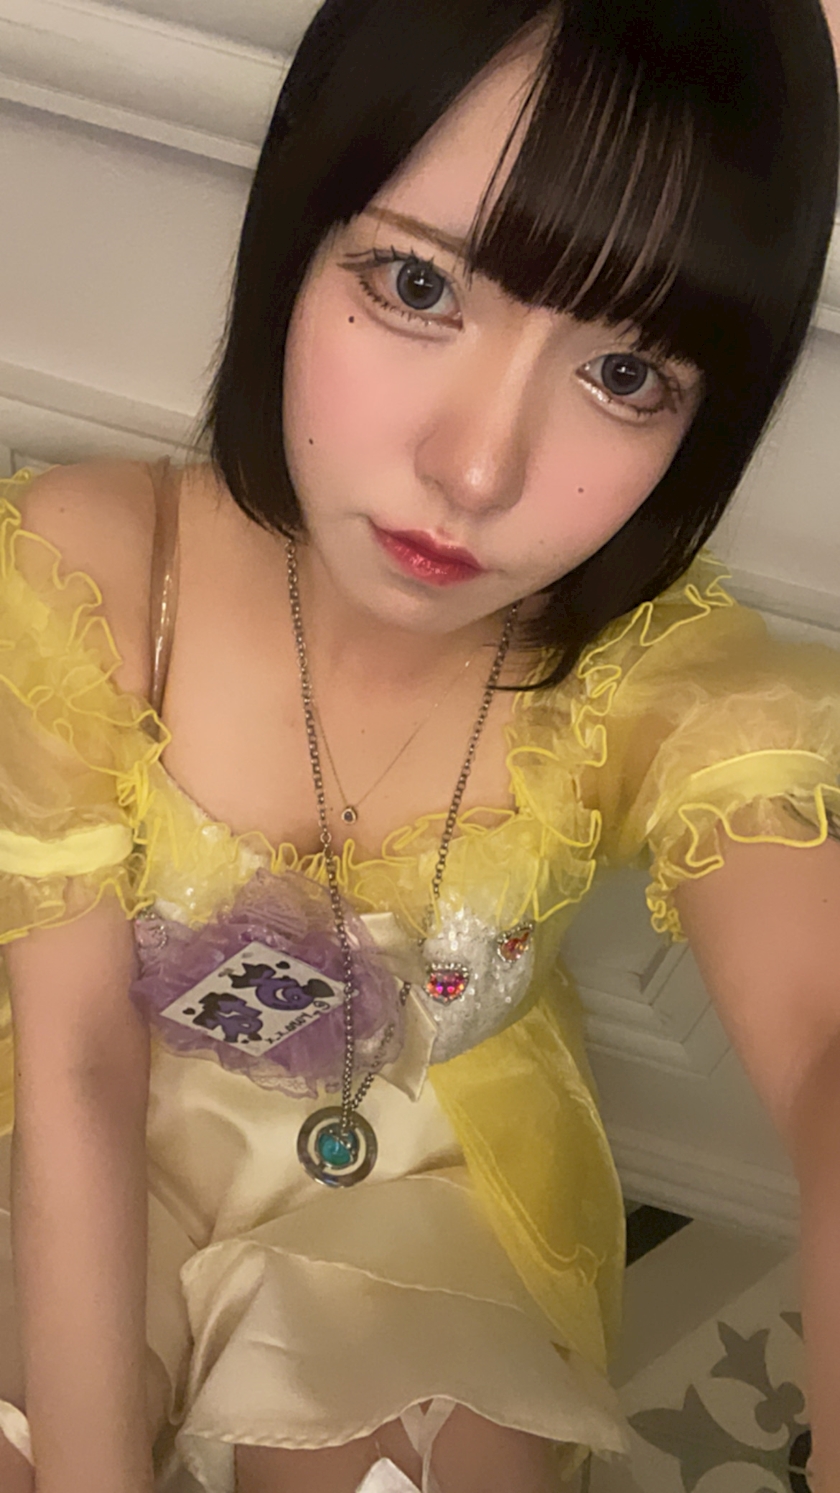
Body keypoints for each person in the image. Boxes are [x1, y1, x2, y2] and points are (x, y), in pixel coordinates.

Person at [1, 1, 839, 1490]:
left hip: (427, 1181)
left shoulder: (648, 681)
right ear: (299, 229)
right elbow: (73, 1062)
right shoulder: (94, 583)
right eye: (417, 283)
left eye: (626, 374)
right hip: (78, 1133)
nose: (478, 466)